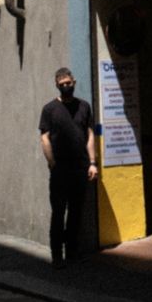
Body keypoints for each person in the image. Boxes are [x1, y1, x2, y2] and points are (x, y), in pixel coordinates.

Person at [39, 67, 97, 265]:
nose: (66, 87)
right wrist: (52, 162)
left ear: (74, 82)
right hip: (60, 170)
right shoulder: (49, 109)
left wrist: (92, 163)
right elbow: (44, 138)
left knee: (75, 213)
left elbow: (90, 135)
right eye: (62, 84)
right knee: (58, 213)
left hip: (80, 168)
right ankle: (57, 256)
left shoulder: (84, 107)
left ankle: (71, 252)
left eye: (68, 84)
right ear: (57, 85)